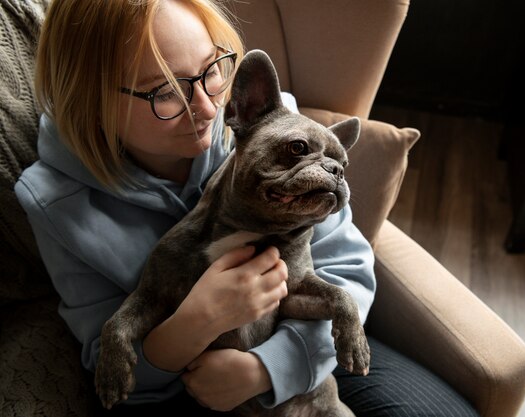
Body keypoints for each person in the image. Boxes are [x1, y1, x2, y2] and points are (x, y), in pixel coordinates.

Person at [15, 0, 479, 416]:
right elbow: (112, 371)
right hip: (188, 388)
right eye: (164, 91)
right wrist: (194, 325)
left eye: (212, 69)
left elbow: (348, 274)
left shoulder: (276, 128)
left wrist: (269, 367)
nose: (205, 106)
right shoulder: (55, 202)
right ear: (90, 99)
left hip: (313, 352)